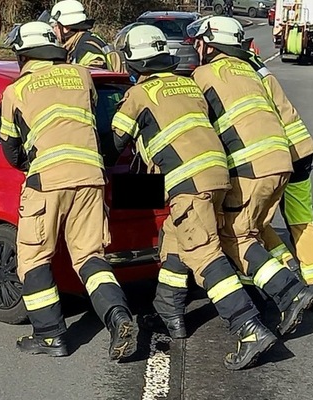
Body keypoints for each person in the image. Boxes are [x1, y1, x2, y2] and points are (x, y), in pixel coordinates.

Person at [111, 23, 277, 370]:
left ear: (133, 63)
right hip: (217, 176)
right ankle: (170, 313)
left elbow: (115, 142)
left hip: (186, 182)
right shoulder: (187, 84)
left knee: (204, 255)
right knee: (175, 238)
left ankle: (247, 326)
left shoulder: (139, 95)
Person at [0, 21, 138, 361]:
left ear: (23, 54)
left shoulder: (16, 91)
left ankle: (50, 336)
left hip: (47, 181)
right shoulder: (82, 76)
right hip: (92, 177)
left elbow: (11, 150)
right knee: (91, 257)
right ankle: (119, 317)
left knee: (33, 258)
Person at [190, 16, 313, 337]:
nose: (195, 48)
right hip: (280, 161)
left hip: (250, 166)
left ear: (209, 44)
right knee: (256, 229)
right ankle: (279, 282)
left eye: (199, 42)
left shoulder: (203, 75)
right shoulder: (249, 70)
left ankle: (291, 292)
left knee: (235, 236)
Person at [39, 0, 112, 70]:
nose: (53, 30)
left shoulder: (85, 47)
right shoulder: (84, 40)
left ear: (66, 28)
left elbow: (96, 74)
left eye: (54, 26)